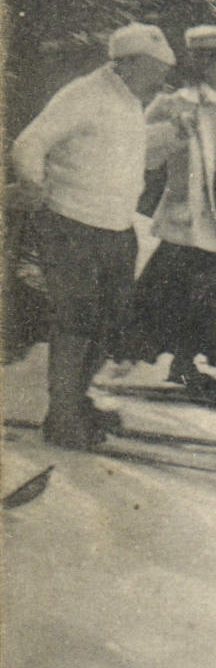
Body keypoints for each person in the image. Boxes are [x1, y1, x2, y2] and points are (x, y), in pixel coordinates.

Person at [9, 23, 175, 447]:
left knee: (108, 323)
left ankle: (75, 401)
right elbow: (29, 142)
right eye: (156, 71)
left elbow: (126, 157)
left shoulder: (131, 102)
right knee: (76, 321)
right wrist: (30, 182)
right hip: (71, 223)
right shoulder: (85, 94)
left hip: (117, 227)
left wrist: (172, 136)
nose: (162, 82)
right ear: (130, 63)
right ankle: (62, 418)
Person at [127, 24, 216, 415]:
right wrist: (173, 134)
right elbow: (140, 151)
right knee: (214, 299)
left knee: (203, 298)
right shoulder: (175, 103)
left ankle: (185, 365)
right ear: (203, 63)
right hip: (190, 219)